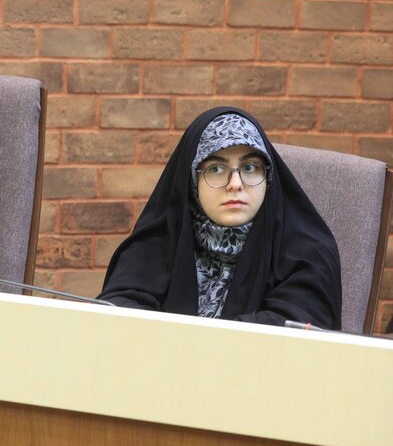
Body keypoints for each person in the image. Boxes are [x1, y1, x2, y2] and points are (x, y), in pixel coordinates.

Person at [99, 107, 341, 329]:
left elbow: (292, 334)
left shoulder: (307, 254)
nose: (235, 184)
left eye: (250, 168)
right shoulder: (157, 242)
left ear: (269, 177)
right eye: (216, 169)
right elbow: (115, 315)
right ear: (192, 181)